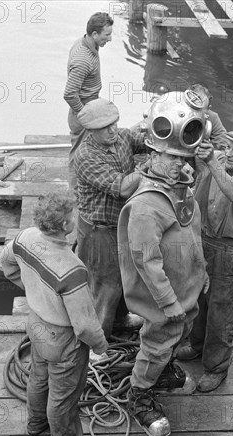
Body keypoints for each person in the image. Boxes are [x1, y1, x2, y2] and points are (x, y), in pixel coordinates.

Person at [1, 192, 108, 436]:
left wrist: (29, 287)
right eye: (72, 216)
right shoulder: (72, 269)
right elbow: (84, 325)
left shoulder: (25, 238)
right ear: (64, 226)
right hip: (63, 340)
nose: (75, 218)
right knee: (64, 397)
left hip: (36, 325)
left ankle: (35, 425)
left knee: (39, 378)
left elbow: (7, 262)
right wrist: (100, 346)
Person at [117, 147, 208, 436]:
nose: (178, 164)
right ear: (153, 155)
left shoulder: (180, 189)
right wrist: (168, 302)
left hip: (187, 290)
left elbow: (193, 235)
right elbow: (146, 259)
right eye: (171, 157)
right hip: (166, 297)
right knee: (157, 343)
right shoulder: (146, 206)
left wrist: (201, 273)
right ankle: (139, 396)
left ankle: (164, 371)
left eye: (182, 158)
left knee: (181, 332)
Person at [176, 130, 233, 393]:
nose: (229, 154)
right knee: (198, 298)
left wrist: (212, 162)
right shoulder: (217, 162)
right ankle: (198, 344)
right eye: (228, 147)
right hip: (202, 241)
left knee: (221, 310)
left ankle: (217, 367)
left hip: (228, 249)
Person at [74, 98, 146, 339]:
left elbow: (148, 141)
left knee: (125, 275)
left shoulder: (122, 137)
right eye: (106, 127)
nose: (113, 129)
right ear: (91, 131)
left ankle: (120, 318)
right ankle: (98, 344)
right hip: (98, 231)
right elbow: (123, 188)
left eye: (114, 123)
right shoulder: (86, 156)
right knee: (105, 286)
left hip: (121, 224)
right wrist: (147, 169)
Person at [64, 12, 114, 192]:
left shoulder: (84, 42)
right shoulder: (83, 59)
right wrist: (84, 115)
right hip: (83, 110)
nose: (109, 38)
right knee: (78, 154)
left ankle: (85, 186)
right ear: (94, 34)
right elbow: (69, 94)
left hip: (90, 105)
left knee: (89, 150)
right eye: (106, 35)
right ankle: (75, 193)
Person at [186, 84, 228, 150]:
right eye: (191, 106)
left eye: (198, 109)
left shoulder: (212, 117)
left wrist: (208, 149)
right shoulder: (171, 108)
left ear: (208, 109)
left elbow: (223, 145)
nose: (192, 113)